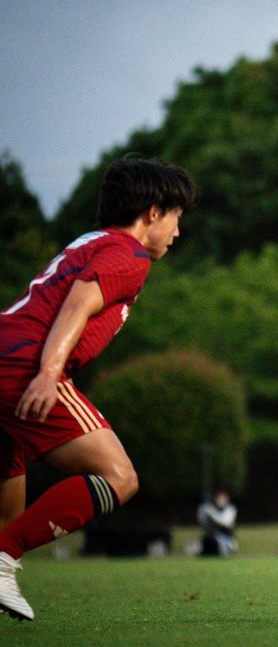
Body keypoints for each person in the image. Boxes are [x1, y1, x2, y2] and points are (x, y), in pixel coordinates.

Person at [0, 156, 197, 621]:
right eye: (176, 217)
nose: (177, 232)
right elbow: (77, 306)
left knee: (8, 516)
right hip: (20, 368)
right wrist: (48, 373)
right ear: (153, 212)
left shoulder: (90, 242)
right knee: (119, 477)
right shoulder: (127, 253)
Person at [197, 489, 238, 557]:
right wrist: (203, 510)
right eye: (219, 498)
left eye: (223, 499)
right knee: (207, 540)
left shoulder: (230, 509)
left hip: (226, 538)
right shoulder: (213, 508)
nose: (221, 500)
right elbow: (202, 521)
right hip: (213, 537)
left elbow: (225, 522)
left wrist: (211, 512)